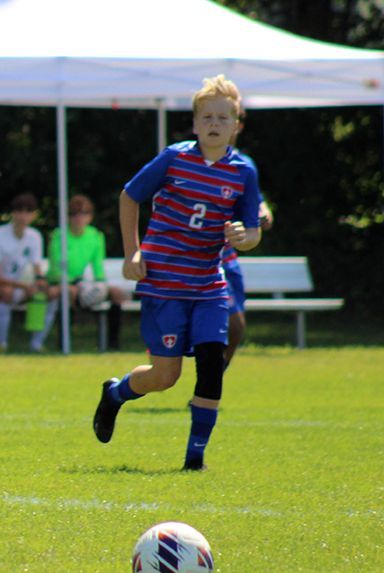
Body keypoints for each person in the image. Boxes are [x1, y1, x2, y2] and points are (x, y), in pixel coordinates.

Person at [92, 75, 262, 471]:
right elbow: (130, 196)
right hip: (165, 283)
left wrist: (244, 236)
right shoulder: (174, 158)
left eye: (223, 117)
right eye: (207, 117)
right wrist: (132, 253)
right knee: (165, 375)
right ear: (195, 123)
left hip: (208, 284)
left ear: (236, 124)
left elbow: (252, 231)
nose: (214, 124)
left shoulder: (243, 173)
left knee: (210, 361)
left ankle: (194, 460)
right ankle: (116, 393)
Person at [32, 194, 128, 351]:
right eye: (74, 214)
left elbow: (98, 267)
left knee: (116, 294)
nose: (78, 218)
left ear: (90, 216)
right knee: (69, 292)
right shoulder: (59, 235)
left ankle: (112, 344)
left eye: (83, 213)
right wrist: (70, 283)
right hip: (60, 282)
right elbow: (57, 266)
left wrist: (102, 284)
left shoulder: (95, 236)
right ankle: (63, 344)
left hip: (82, 283)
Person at [221, 107, 275, 369]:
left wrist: (263, 215)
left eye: (228, 118)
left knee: (236, 327)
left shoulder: (245, 165)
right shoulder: (187, 159)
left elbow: (258, 203)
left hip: (227, 257)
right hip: (196, 256)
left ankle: (209, 384)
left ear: (239, 125)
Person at [0, 192, 46, 352]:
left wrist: (41, 283)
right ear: (13, 213)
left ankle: (36, 344)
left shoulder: (35, 237)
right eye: (19, 211)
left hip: (17, 288)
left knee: (47, 293)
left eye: (28, 211)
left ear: (34, 215)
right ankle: (2, 344)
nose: (23, 216)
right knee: (6, 292)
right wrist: (24, 286)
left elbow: (37, 269)